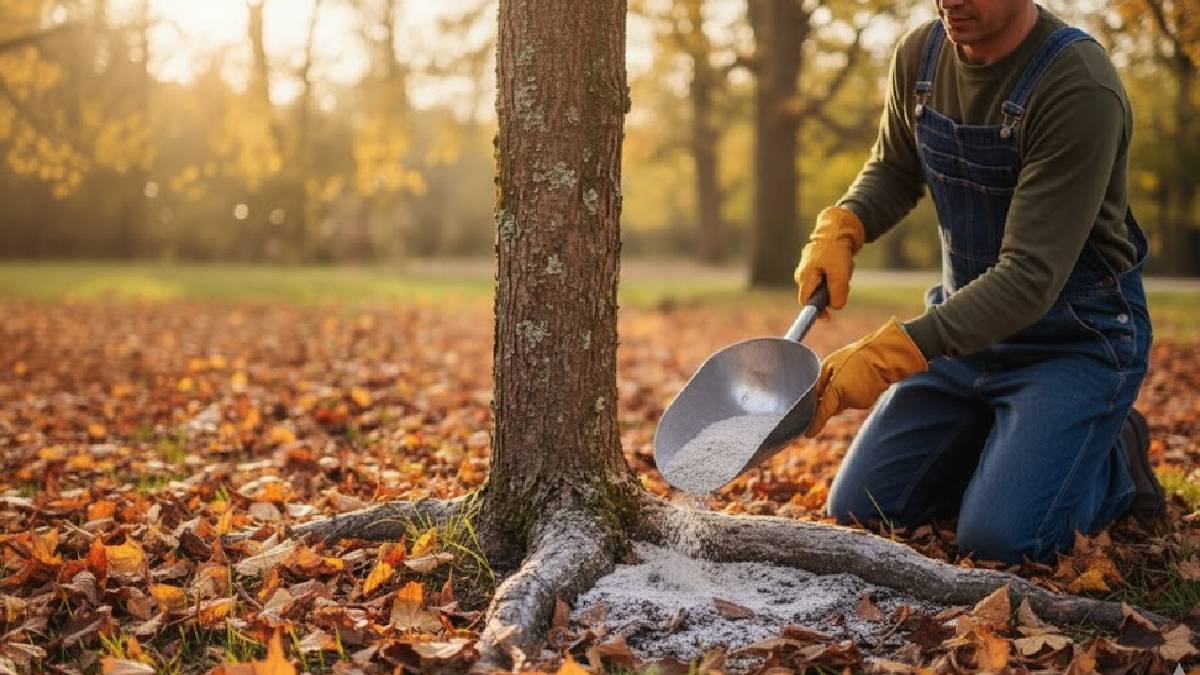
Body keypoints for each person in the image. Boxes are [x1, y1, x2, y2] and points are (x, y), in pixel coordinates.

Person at [793, 0, 1165, 564]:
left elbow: (1028, 276)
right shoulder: (920, 55)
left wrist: (890, 354)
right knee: (860, 509)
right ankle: (1012, 450)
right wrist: (843, 225)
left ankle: (1114, 459)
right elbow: (895, 167)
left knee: (1003, 542)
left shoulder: (1078, 86)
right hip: (965, 340)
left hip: (1072, 342)